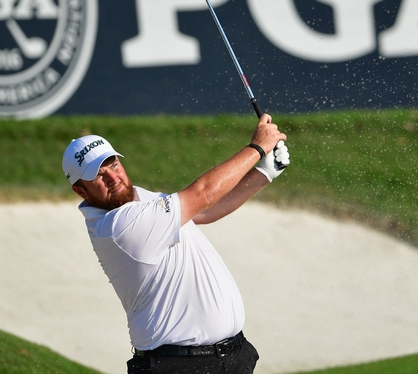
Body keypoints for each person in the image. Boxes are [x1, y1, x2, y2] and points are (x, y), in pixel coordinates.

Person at [61, 114, 290, 374]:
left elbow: (201, 212)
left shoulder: (136, 199)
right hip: (180, 366)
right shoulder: (118, 225)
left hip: (230, 358)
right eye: (98, 177)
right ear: (81, 191)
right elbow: (202, 194)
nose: (113, 179)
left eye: (113, 165)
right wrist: (257, 148)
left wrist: (264, 173)